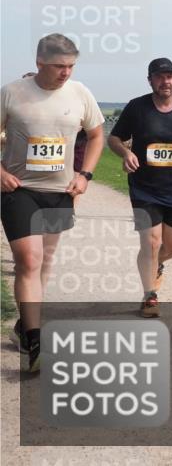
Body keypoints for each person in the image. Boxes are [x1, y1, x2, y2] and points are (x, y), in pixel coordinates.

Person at [1, 35, 104, 372]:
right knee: (28, 260)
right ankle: (35, 340)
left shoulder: (80, 93)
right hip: (19, 189)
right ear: (40, 62)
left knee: (43, 261)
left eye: (71, 66)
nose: (66, 73)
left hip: (59, 193)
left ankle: (25, 324)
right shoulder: (13, 92)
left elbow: (97, 134)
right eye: (60, 66)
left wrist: (85, 174)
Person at [107, 58, 172, 318]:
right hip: (145, 188)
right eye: (160, 77)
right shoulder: (137, 107)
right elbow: (113, 138)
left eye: (170, 76)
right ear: (150, 80)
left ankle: (157, 265)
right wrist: (125, 152)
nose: (166, 81)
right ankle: (150, 296)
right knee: (152, 243)